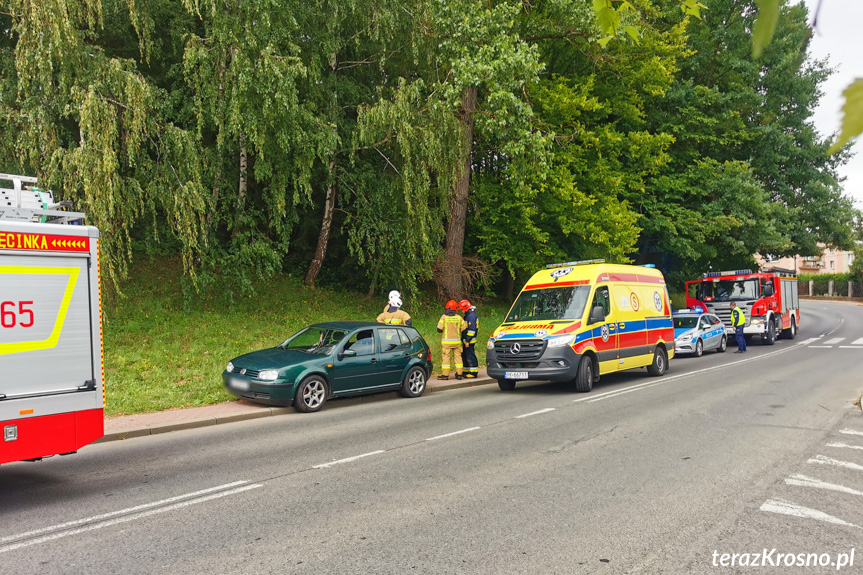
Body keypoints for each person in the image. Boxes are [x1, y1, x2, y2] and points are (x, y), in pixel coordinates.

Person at [436, 300, 468, 380]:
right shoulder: (459, 318)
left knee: (446, 359)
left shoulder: (444, 317)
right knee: (458, 358)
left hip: (446, 343)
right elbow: (464, 328)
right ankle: (459, 374)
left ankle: (445, 375)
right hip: (457, 343)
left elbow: (439, 329)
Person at [459, 299, 479, 378]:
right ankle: (466, 370)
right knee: (465, 355)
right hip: (466, 340)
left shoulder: (471, 316)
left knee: (470, 355)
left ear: (465, 308)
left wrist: (467, 341)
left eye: (462, 309)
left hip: (469, 341)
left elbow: (472, 330)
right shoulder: (469, 315)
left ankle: (473, 372)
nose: (461, 311)